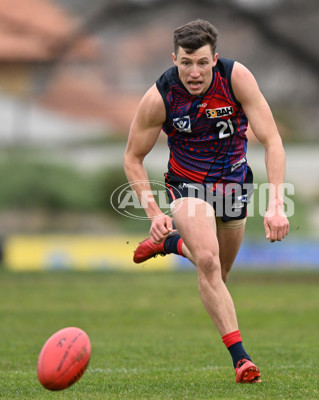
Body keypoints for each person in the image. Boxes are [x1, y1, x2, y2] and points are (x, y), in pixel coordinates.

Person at [124, 19, 289, 383]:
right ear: (174, 59)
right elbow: (132, 157)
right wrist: (153, 212)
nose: (194, 72)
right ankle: (241, 360)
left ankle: (172, 244)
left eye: (201, 62)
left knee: (220, 276)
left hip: (233, 186)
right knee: (209, 263)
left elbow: (272, 141)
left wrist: (275, 203)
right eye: (186, 63)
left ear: (214, 59)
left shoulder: (236, 79)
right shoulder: (160, 96)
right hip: (187, 187)